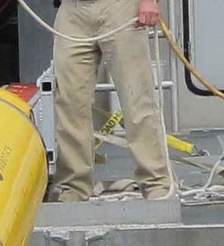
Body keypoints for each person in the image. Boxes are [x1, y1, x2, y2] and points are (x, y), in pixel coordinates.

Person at [50, 0, 173, 202]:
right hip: (71, 10)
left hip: (121, 6)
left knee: (137, 100)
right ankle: (73, 185)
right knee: (70, 103)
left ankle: (156, 182)